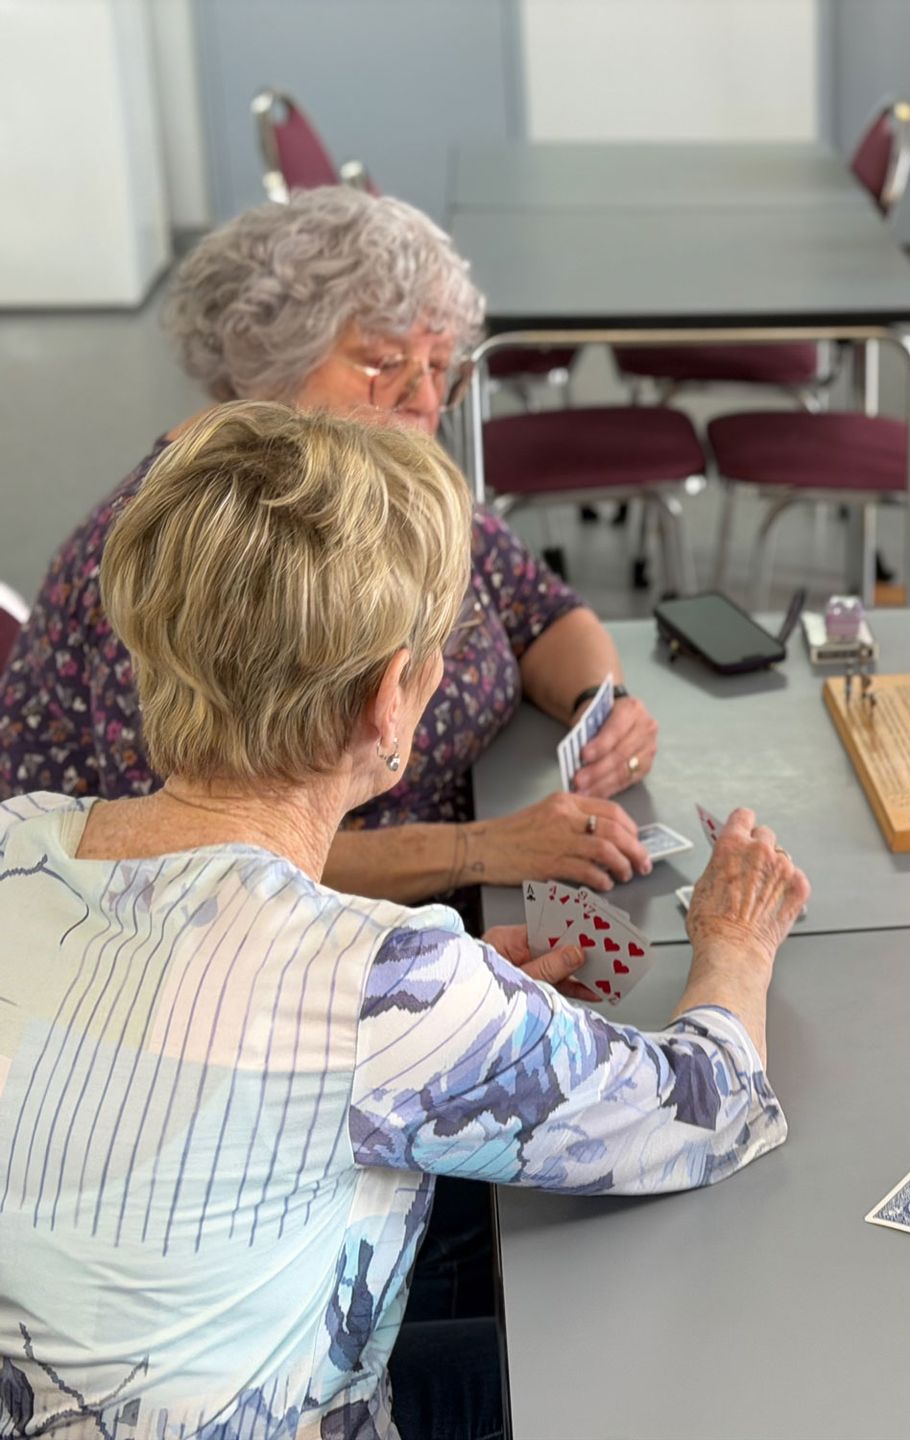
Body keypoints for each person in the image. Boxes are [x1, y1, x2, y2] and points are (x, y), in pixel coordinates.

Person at [0, 402, 810, 1438]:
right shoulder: (376, 985)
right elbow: (706, 1108)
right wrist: (736, 938)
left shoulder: (20, 840)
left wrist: (450, 988)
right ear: (393, 699)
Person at [0, 186, 660, 914]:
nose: (423, 398)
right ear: (273, 360)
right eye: (382, 362)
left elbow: (540, 609)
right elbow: (202, 859)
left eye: (440, 365)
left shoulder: (380, 479)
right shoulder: (205, 543)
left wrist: (605, 707)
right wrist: (478, 849)